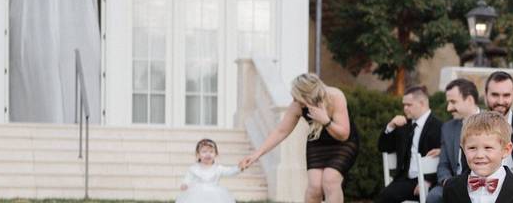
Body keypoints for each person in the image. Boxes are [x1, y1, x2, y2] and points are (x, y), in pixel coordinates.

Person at [239, 73, 358, 203]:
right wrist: (256, 154)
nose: (295, 101)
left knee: (330, 180)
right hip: (317, 141)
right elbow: (281, 131)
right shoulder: (297, 106)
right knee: (314, 187)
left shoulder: (335, 97)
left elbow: (344, 134)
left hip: (342, 143)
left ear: (308, 94)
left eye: (298, 97)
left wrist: (325, 121)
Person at [443, 112, 513, 203]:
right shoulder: (451, 188)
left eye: (488, 148)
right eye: (472, 148)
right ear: (463, 149)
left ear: (506, 150)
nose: (479, 155)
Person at [376, 85, 444, 203]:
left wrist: (427, 181)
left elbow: (443, 158)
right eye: (404, 105)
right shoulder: (404, 125)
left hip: (429, 181)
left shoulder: (438, 126)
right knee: (385, 195)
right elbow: (383, 147)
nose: (405, 108)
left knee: (386, 196)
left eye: (409, 105)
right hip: (405, 179)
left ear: (422, 103)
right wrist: (391, 126)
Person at [430, 78, 482, 203]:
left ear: (469, 100)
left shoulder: (491, 123)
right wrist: (448, 182)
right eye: (448, 102)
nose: (448, 108)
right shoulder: (447, 127)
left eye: (453, 102)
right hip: (453, 183)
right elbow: (443, 165)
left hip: (482, 183)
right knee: (434, 196)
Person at [177, 138, 241, 203]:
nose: (208, 154)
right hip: (197, 195)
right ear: (198, 155)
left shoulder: (218, 168)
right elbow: (188, 178)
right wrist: (185, 184)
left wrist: (239, 167)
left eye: (211, 151)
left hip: (214, 195)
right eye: (204, 152)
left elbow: (230, 171)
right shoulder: (194, 168)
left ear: (216, 154)